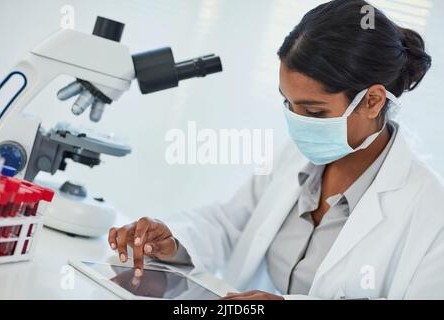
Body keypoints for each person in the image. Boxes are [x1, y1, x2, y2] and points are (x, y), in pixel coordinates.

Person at [108, 0, 444, 299]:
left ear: (372, 101)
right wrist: (174, 241)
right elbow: (232, 224)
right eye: (289, 104)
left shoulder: (430, 211)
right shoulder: (297, 157)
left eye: (314, 112)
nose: (298, 123)